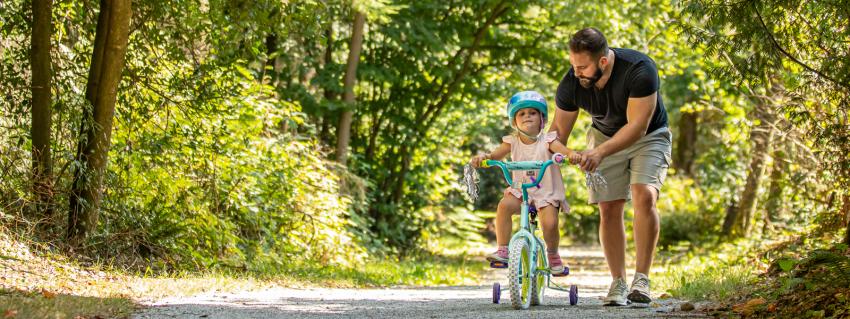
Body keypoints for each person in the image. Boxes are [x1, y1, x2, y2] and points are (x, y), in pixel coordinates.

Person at [551, 27, 672, 306]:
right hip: (603, 136)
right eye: (573, 65)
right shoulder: (571, 83)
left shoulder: (640, 70)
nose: (576, 72)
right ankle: (617, 282)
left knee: (644, 195)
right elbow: (557, 133)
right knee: (609, 207)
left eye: (582, 66)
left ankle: (641, 280)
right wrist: (565, 153)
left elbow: (638, 127)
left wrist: (598, 153)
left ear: (603, 62)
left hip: (649, 136)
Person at [470, 91, 579, 276]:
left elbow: (565, 150)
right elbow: (494, 156)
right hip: (521, 191)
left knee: (550, 223)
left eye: (532, 112)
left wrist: (572, 155)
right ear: (515, 121)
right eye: (521, 113)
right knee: (504, 206)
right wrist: (484, 158)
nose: (527, 116)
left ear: (542, 118)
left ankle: (553, 255)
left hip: (546, 192)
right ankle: (503, 249)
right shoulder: (512, 142)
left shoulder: (548, 140)